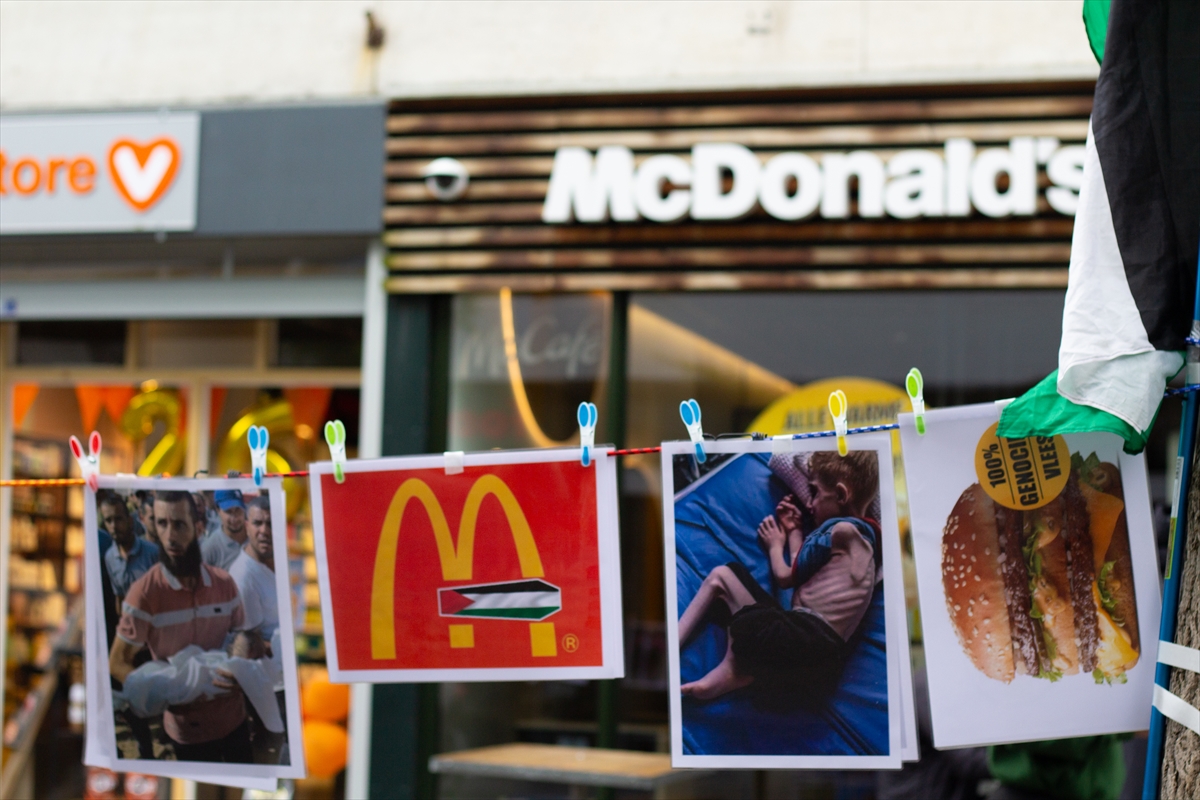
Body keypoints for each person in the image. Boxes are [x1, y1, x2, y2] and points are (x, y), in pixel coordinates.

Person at [678, 450, 880, 702]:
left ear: (840, 494)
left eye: (815, 493)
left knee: (739, 606)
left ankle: (721, 664)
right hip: (820, 663)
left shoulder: (844, 531)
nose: (809, 503)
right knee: (726, 576)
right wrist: (794, 530)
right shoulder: (865, 544)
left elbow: (785, 577)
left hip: (804, 641)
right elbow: (803, 569)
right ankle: (735, 672)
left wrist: (775, 546)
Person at [109, 490, 251, 763]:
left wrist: (242, 657)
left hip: (234, 723)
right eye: (162, 523)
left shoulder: (224, 583)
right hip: (186, 734)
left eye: (179, 524)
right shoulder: (145, 593)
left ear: (198, 528)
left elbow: (243, 635)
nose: (170, 536)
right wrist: (162, 689)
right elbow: (117, 662)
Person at [227, 495, 279, 640]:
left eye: (270, 523)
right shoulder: (242, 575)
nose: (264, 531)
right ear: (247, 527)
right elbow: (250, 643)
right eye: (257, 523)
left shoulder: (278, 557)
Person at [98, 490, 160, 610]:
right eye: (108, 521)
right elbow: (120, 598)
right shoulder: (110, 557)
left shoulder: (153, 553)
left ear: (130, 520)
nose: (114, 526)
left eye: (118, 519)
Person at [201, 490, 248, 570]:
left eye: (238, 510)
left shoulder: (256, 536)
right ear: (218, 510)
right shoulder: (209, 548)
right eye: (228, 511)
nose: (234, 518)